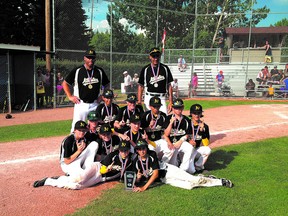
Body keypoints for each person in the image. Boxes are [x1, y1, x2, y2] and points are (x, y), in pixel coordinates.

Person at [132, 139, 233, 192]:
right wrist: (138, 179)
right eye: (139, 149)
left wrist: (144, 188)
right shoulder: (136, 161)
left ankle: (220, 182)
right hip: (165, 180)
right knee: (189, 186)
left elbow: (155, 174)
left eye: (143, 148)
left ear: (146, 148)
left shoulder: (152, 155)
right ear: (136, 150)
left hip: (169, 171)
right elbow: (138, 177)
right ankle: (204, 178)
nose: (142, 151)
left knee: (195, 180)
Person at [33, 140, 134, 190]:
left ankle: (49, 181)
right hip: (96, 168)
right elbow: (102, 168)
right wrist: (106, 169)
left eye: (125, 150)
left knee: (76, 186)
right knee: (79, 179)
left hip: (100, 179)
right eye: (121, 150)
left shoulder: (131, 160)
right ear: (119, 150)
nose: (123, 152)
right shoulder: (113, 156)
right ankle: (50, 180)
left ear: (129, 150)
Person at [33, 120, 100, 189]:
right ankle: (49, 181)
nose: (82, 132)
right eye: (79, 130)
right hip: (67, 165)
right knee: (80, 180)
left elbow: (98, 136)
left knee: (94, 144)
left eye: (83, 130)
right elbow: (67, 161)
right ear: (74, 130)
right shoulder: (68, 141)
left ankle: (86, 168)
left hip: (78, 160)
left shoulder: (85, 137)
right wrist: (79, 151)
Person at [62, 49, 110, 132]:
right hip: (81, 104)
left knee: (96, 128)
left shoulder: (99, 71)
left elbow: (107, 84)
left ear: (95, 59)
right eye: (88, 57)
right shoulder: (78, 70)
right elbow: (65, 83)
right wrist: (70, 96)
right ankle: (73, 144)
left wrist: (102, 96)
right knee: (77, 128)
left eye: (92, 58)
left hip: (95, 104)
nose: (90, 60)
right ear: (84, 58)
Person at [137, 47, 174, 114]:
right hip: (149, 97)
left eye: (157, 56)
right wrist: (139, 101)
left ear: (159, 56)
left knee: (164, 118)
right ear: (150, 57)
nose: (155, 58)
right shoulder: (145, 69)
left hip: (161, 98)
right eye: (153, 56)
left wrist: (171, 101)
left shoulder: (165, 68)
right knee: (148, 119)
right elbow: (141, 86)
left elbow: (169, 86)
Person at [162, 98, 193, 173]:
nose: (178, 110)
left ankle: (183, 169)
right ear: (172, 108)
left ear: (182, 107)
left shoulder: (186, 120)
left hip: (180, 143)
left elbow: (188, 134)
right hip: (170, 144)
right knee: (173, 165)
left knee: (189, 147)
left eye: (180, 107)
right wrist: (171, 123)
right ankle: (162, 168)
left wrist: (181, 141)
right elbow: (166, 134)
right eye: (176, 108)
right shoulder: (168, 118)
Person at [140, 96, 173, 163]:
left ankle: (163, 164)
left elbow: (165, 133)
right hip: (149, 141)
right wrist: (149, 127)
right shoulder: (145, 115)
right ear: (150, 106)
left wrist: (169, 142)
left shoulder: (163, 116)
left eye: (158, 106)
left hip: (159, 140)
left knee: (171, 150)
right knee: (151, 150)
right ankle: (154, 165)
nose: (156, 108)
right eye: (154, 106)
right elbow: (141, 129)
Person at [187, 104, 211, 173]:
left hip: (195, 150)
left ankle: (198, 166)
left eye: (199, 113)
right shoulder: (187, 123)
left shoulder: (205, 126)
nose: (197, 115)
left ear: (201, 114)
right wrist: (189, 141)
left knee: (207, 150)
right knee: (189, 170)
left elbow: (206, 143)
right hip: (185, 150)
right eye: (195, 113)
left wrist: (202, 131)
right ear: (191, 114)